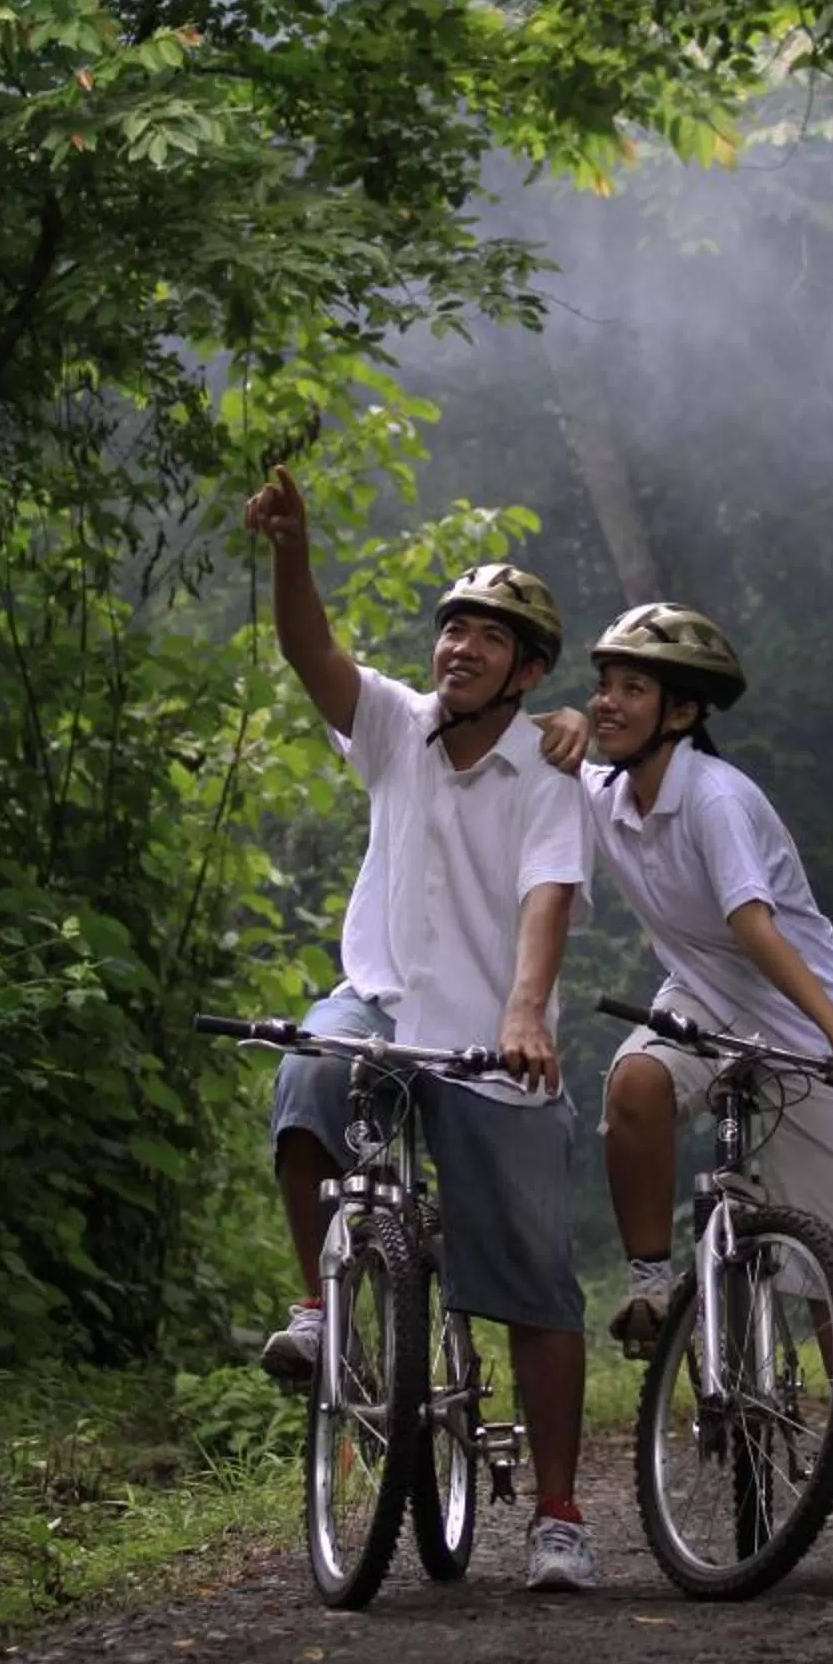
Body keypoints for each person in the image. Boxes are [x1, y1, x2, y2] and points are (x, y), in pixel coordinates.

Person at [241, 464, 598, 1593]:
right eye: (451, 629)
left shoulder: (548, 773)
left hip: (493, 1047)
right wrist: (291, 553)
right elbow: (313, 657)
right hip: (383, 1008)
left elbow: (549, 896)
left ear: (528, 671)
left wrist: (525, 1012)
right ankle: (316, 1306)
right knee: (306, 1068)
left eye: (487, 638)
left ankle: (555, 1513)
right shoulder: (395, 727)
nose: (458, 648)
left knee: (536, 1289)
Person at [543, 601, 833, 1583]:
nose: (608, 701)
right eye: (603, 683)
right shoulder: (604, 793)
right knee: (630, 1081)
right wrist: (558, 732)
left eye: (632, 687)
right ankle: (655, 1284)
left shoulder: (713, 796)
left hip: (797, 1024)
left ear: (680, 711)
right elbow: (517, 751)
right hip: (698, 1003)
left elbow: (750, 921)